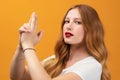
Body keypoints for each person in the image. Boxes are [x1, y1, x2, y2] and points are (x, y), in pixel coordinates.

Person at [10, 4, 111, 80]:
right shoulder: (55, 59)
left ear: (91, 29)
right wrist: (21, 48)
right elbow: (18, 76)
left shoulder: (92, 66)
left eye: (78, 22)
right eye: (67, 21)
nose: (68, 26)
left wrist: (28, 45)